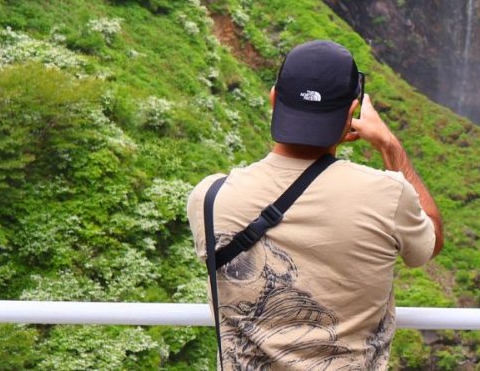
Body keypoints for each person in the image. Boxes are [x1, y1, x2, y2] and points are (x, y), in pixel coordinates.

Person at [188, 39, 444, 370]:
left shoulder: (209, 199)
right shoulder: (388, 196)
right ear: (352, 112)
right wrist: (389, 144)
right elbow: (432, 239)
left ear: (273, 99)